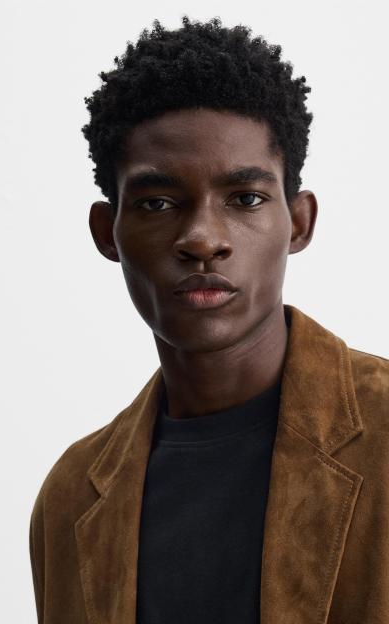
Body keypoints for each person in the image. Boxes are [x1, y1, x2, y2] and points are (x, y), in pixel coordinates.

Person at [29, 16, 389, 624]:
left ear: (299, 223)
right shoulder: (70, 497)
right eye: (157, 203)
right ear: (107, 232)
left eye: (245, 199)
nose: (202, 239)